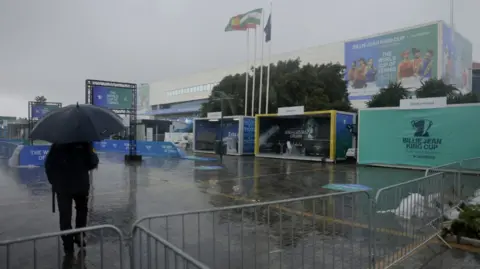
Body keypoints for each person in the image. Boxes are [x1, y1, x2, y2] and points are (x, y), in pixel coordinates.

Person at [45, 142, 99, 255]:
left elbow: (48, 165)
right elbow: (93, 162)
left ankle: (68, 245)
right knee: (82, 211)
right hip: (80, 185)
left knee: (65, 216)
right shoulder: (85, 143)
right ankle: (79, 236)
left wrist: (54, 181)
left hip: (62, 187)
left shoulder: (57, 144)